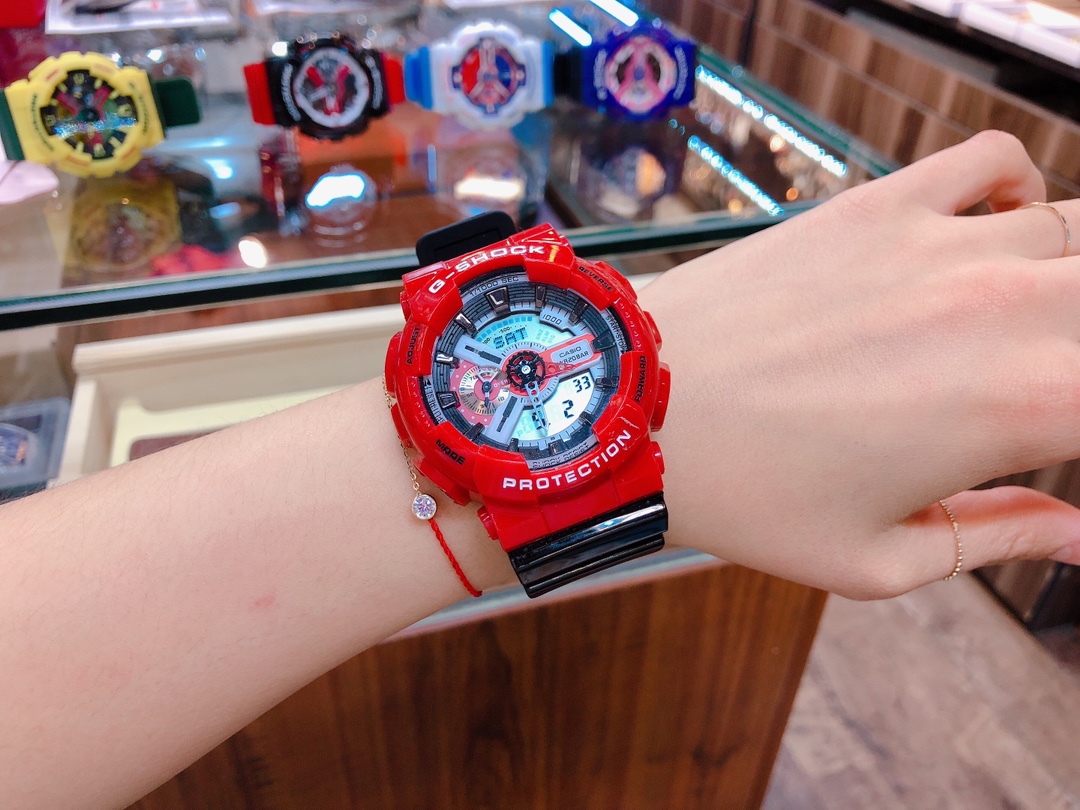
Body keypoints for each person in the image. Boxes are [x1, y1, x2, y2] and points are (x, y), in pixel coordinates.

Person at [2, 131, 1079, 808]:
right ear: (418, 402)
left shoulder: (596, 340)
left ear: (629, 335)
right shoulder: (447, 397)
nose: (530, 365)